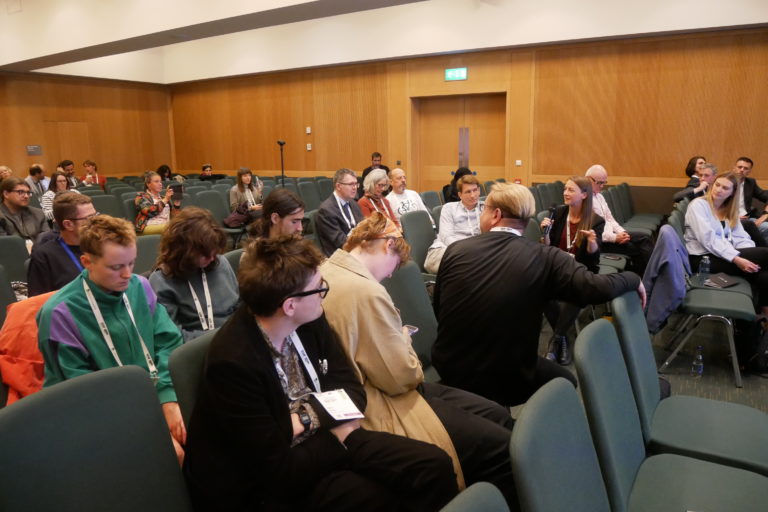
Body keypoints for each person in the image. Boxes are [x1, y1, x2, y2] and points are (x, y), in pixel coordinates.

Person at [183, 235, 458, 511]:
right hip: (266, 483)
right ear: (290, 305)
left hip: (322, 436)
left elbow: (352, 391)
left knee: (433, 466)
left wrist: (304, 419)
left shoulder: (309, 317)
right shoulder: (233, 364)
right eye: (318, 287)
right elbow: (278, 471)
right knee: (381, 498)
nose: (323, 292)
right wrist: (336, 434)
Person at [321, 213, 518, 506]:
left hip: (372, 390)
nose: (391, 274)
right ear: (388, 245)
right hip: (380, 401)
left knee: (497, 416)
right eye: (395, 265)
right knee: (503, 448)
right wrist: (403, 340)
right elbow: (401, 377)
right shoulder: (365, 291)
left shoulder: (329, 269)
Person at [432, 182, 643, 406]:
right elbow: (595, 287)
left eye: (484, 209)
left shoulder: (455, 251)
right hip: (506, 375)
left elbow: (439, 308)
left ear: (495, 215)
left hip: (450, 365)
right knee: (566, 383)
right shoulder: (546, 257)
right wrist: (633, 278)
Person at [36, 215, 185, 462]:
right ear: (87, 262)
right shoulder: (59, 314)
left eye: (131, 263)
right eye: (116, 267)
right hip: (97, 409)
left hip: (151, 392)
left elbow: (168, 341)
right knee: (171, 456)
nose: (127, 274)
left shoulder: (140, 286)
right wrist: (149, 421)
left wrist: (167, 397)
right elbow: (79, 389)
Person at [539, 176, 604, 365]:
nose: (565, 193)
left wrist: (592, 243)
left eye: (571, 190)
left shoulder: (596, 220)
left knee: (577, 291)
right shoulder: (558, 213)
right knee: (541, 290)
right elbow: (547, 247)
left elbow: (593, 258)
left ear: (584, 195)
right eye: (565, 189)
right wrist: (545, 233)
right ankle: (562, 337)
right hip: (557, 268)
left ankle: (556, 341)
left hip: (581, 269)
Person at [149, 207, 239, 341]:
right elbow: (172, 336)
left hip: (235, 338)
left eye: (214, 252)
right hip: (197, 347)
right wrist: (221, 338)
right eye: (205, 254)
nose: (212, 258)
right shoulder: (162, 280)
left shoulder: (221, 263)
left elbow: (239, 308)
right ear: (184, 251)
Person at [685, 172, 768, 314]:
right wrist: (737, 259)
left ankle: (759, 315)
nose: (719, 189)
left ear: (732, 192)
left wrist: (751, 256)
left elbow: (740, 236)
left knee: (762, 273)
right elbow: (708, 240)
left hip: (722, 254)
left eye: (725, 188)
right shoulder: (698, 205)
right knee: (765, 254)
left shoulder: (728, 209)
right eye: (717, 185)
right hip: (702, 258)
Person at [586, 165, 654, 276]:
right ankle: (646, 277)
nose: (602, 186)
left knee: (644, 238)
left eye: (604, 182)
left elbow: (610, 219)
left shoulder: (600, 197)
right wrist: (615, 238)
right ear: (588, 179)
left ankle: (645, 277)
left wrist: (622, 233)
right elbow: (594, 232)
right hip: (601, 242)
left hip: (612, 235)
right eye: (599, 183)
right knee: (638, 248)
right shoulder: (585, 200)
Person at [28, 193, 96, 296]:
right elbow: (38, 301)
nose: (96, 222)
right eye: (90, 218)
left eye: (95, 215)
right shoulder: (44, 257)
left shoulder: (102, 245)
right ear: (68, 225)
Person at [425, 174, 484, 274]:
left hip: (472, 253)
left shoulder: (486, 208)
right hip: (446, 249)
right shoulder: (449, 208)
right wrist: (466, 250)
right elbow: (446, 237)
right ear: (460, 195)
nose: (473, 195)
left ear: (479, 190)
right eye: (468, 192)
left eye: (475, 190)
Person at [316, 168, 364, 256]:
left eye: (356, 184)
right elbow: (339, 241)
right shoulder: (326, 210)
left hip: (356, 250)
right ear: (338, 186)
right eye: (351, 184)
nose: (355, 188)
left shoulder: (354, 204)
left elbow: (363, 228)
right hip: (340, 255)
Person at [733, 157, 768, 243]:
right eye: (739, 167)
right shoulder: (725, 182)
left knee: (766, 226)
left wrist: (765, 214)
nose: (742, 170)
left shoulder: (750, 183)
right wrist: (732, 217)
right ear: (734, 168)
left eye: (745, 168)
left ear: (749, 172)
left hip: (747, 219)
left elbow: (766, 196)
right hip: (729, 219)